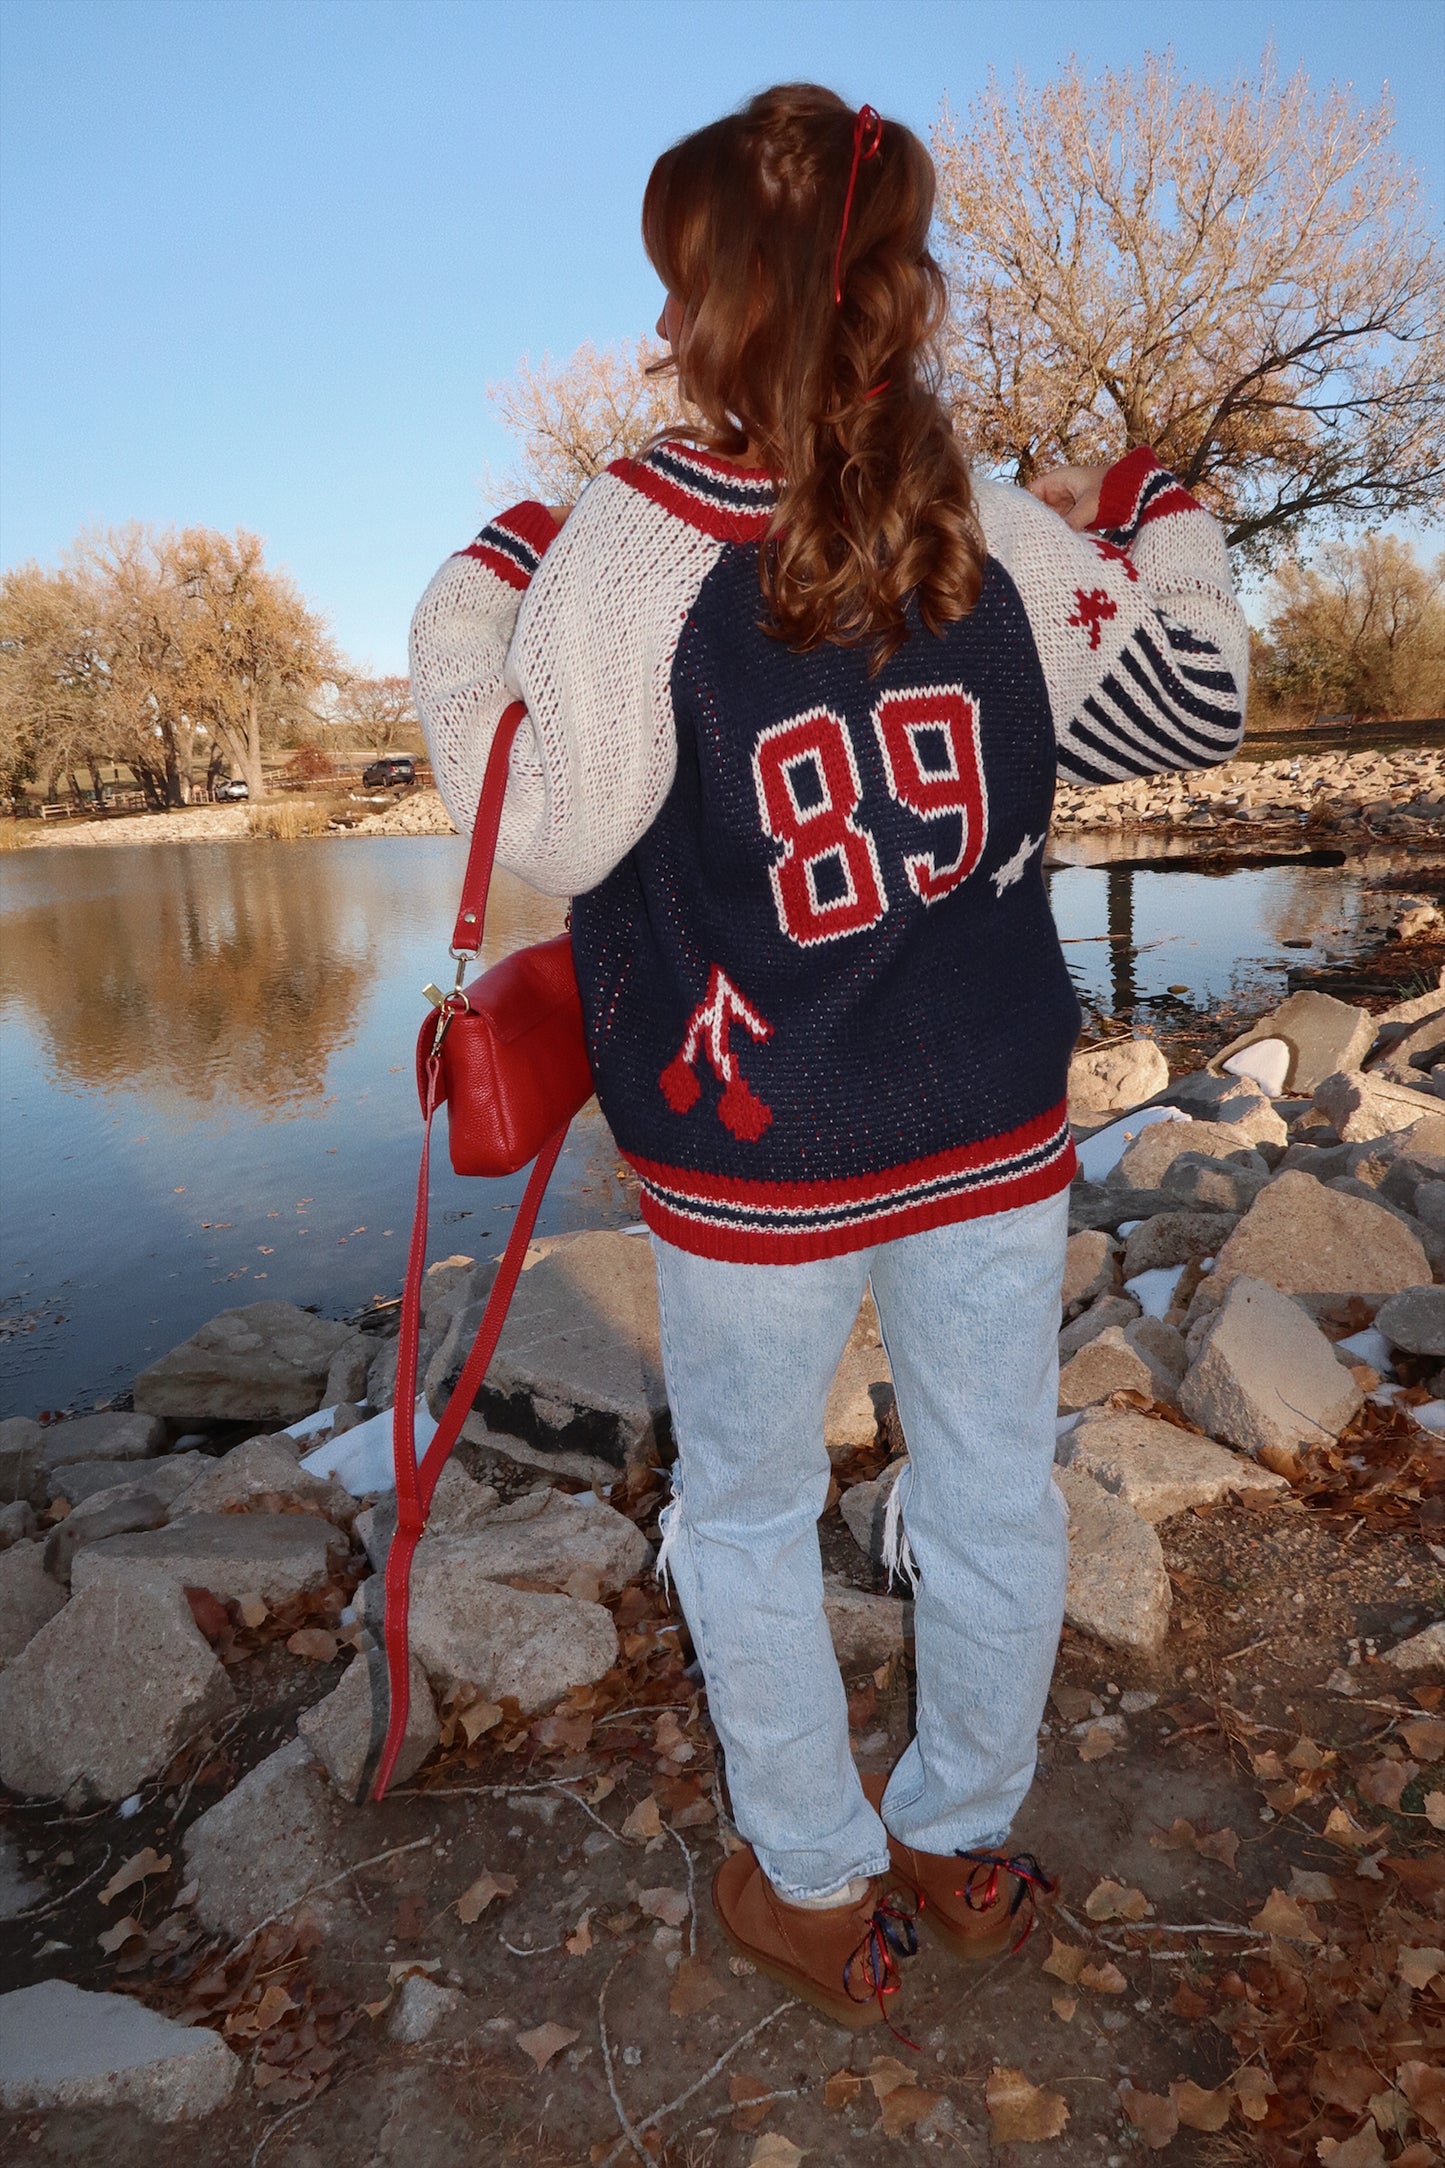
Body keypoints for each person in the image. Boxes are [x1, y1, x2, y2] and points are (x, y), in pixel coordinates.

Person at [410, 83, 1246, 2030]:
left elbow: (536, 816)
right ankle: (961, 1839)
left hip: (755, 1149)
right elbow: (1189, 691)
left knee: (748, 1510)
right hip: (988, 1126)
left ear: (703, 295)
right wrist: (1173, 523)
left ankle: (814, 1880)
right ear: (895, 282)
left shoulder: (637, 531)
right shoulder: (991, 511)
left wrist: (474, 588)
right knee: (988, 1493)